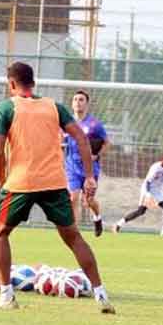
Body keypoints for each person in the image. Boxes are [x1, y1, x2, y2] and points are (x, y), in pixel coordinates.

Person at [0, 62, 115, 313]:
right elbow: (80, 137)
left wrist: (2, 180)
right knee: (74, 237)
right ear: (33, 82)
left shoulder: (5, 107)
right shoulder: (54, 106)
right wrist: (89, 176)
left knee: (0, 233)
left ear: (11, 84)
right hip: (55, 183)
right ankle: (101, 295)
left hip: (20, 183)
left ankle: (6, 296)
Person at [63, 90, 109, 237]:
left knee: (88, 201)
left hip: (90, 168)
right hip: (72, 166)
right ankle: (74, 233)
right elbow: (61, 141)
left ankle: (97, 218)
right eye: (75, 99)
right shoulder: (66, 122)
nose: (78, 102)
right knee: (73, 198)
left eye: (81, 99)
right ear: (72, 103)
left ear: (87, 104)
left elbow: (107, 143)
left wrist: (96, 155)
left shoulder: (95, 124)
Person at [114, 149, 163, 236]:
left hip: (158, 191)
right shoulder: (156, 167)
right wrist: (148, 195)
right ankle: (118, 224)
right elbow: (148, 182)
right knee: (141, 211)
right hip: (148, 189)